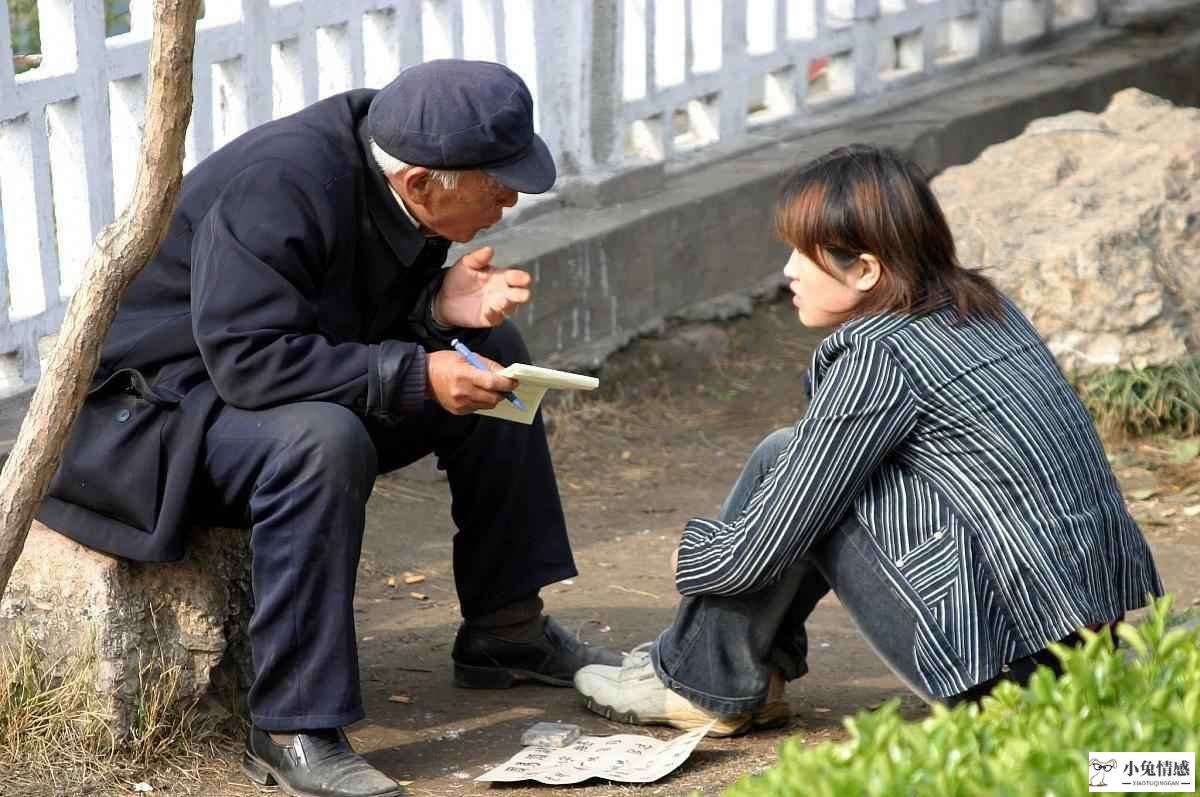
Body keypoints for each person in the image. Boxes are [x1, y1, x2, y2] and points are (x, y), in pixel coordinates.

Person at [37, 59, 620, 797]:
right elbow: (251, 361)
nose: (506, 202)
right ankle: (292, 726)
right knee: (322, 440)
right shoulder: (282, 184)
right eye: (496, 187)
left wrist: (437, 311)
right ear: (419, 183)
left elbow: (329, 314)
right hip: (155, 418)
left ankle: (507, 628)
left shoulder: (398, 153)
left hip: (245, 393)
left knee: (494, 360)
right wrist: (418, 375)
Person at [573, 145, 1163, 736]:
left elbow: (763, 547)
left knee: (797, 470)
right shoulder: (985, 308)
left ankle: (699, 684)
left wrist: (694, 557)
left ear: (866, 270)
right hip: (1080, 643)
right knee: (799, 457)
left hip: (1004, 670)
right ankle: (730, 677)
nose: (788, 272)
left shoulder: (880, 354)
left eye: (804, 255)